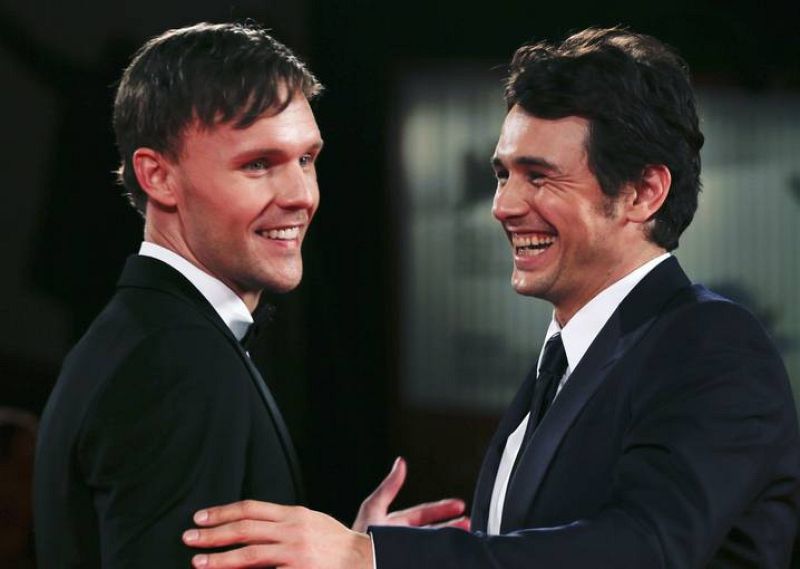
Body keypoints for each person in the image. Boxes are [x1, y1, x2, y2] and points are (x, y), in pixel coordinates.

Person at [181, 27, 800, 569]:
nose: (503, 205)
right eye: (503, 174)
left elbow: (643, 550)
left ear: (642, 193)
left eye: (540, 176)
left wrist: (373, 558)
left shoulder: (710, 344)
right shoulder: (568, 357)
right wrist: (379, 551)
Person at [33, 22, 464, 568]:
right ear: (158, 177)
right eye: (258, 164)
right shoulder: (177, 363)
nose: (301, 195)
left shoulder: (146, 335)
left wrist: (347, 553)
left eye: (306, 159)